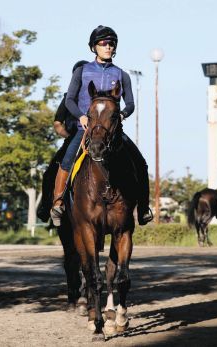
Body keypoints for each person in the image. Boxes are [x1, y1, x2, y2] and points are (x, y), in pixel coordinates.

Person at [50, 25, 153, 227]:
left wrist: (122, 114)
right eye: (103, 43)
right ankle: (58, 202)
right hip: (85, 130)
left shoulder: (122, 75)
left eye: (111, 43)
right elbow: (70, 99)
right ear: (93, 47)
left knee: (140, 163)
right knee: (67, 159)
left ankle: (143, 208)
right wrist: (80, 116)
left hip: (113, 133)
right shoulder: (82, 71)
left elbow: (131, 104)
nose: (108, 46)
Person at [36, 60, 89, 222]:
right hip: (73, 138)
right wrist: (68, 137)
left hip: (95, 139)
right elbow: (57, 123)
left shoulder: (96, 97)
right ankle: (47, 207)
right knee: (49, 172)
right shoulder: (68, 98)